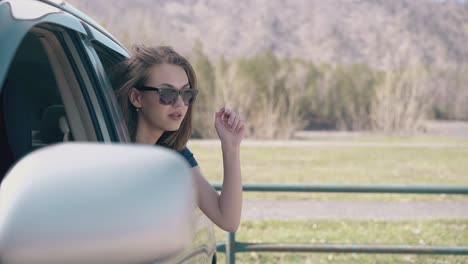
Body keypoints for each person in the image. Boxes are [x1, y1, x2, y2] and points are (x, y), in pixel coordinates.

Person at [113, 45, 244, 232]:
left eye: (186, 93)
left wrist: (231, 147)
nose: (180, 103)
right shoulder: (112, 147)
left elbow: (228, 220)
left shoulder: (176, 155)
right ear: (136, 97)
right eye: (167, 94)